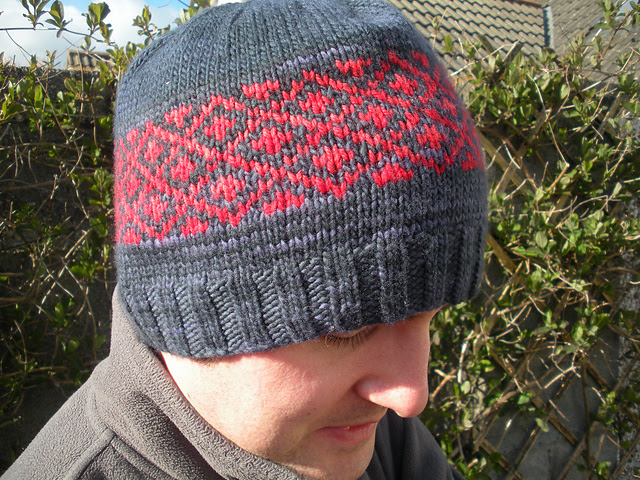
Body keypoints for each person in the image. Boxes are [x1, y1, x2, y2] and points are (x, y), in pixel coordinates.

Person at [2, 0, 488, 478]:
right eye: (346, 330)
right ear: (193, 322)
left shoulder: (380, 438)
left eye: (430, 315)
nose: (410, 397)